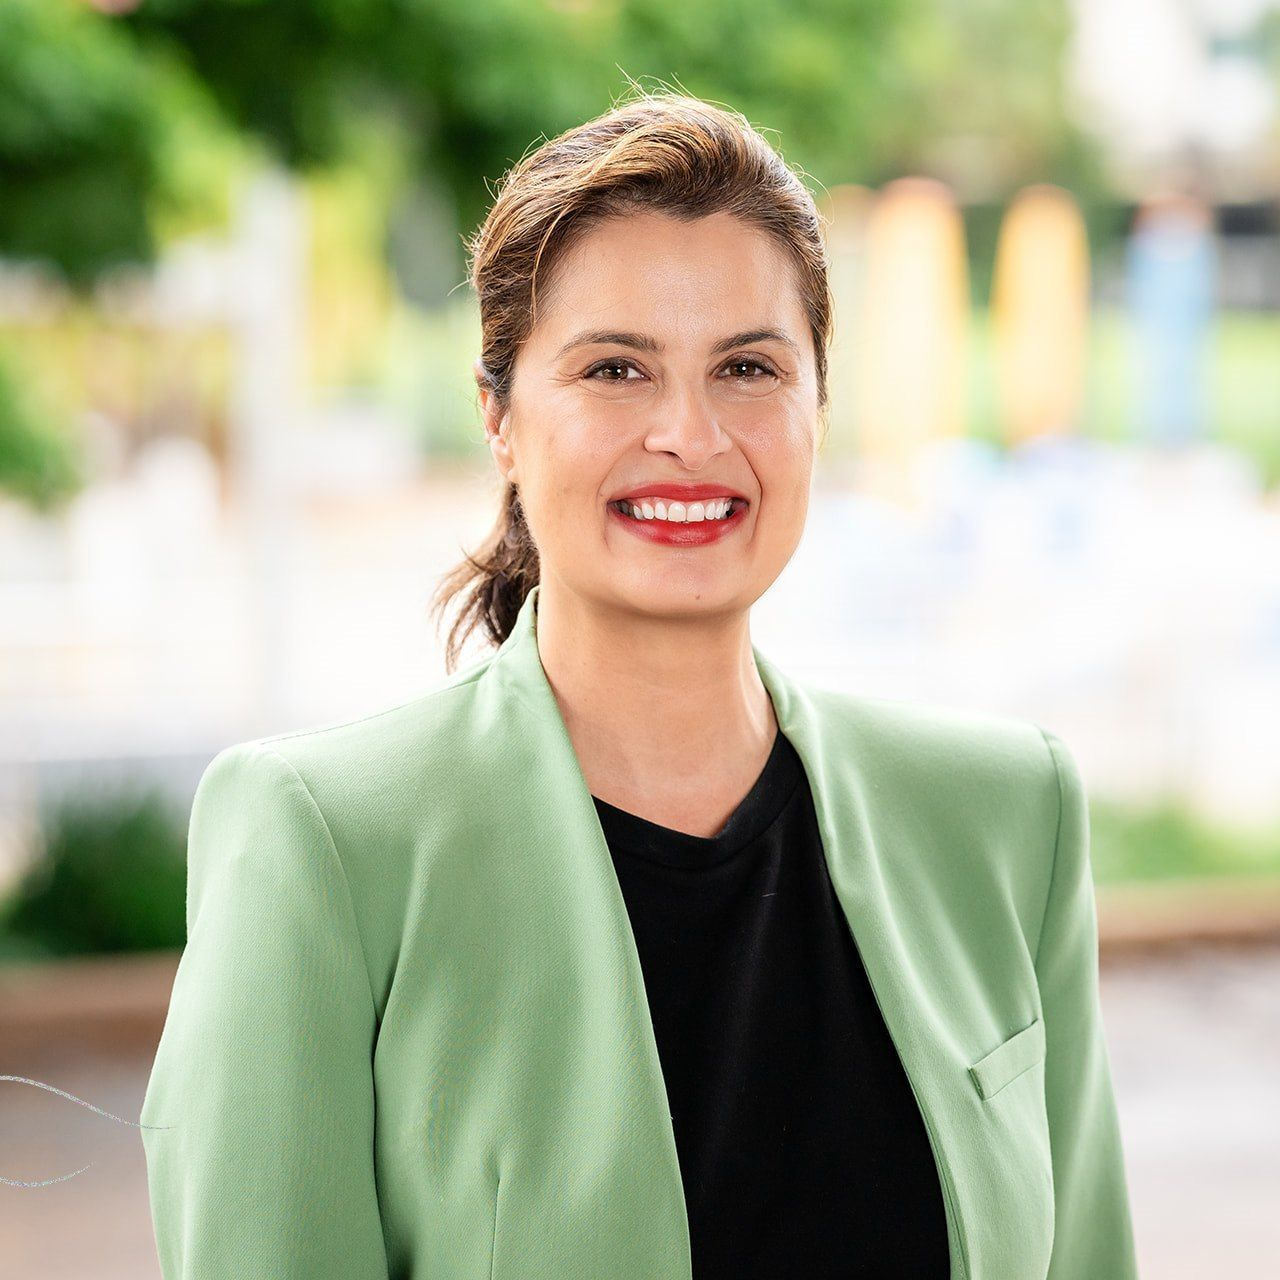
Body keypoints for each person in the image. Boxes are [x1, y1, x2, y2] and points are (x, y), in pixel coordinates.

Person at [140, 91, 1139, 1279]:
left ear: (819, 402)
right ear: (500, 419)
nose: (690, 435)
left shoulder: (1001, 815)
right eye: (615, 368)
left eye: (748, 367)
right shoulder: (326, 843)